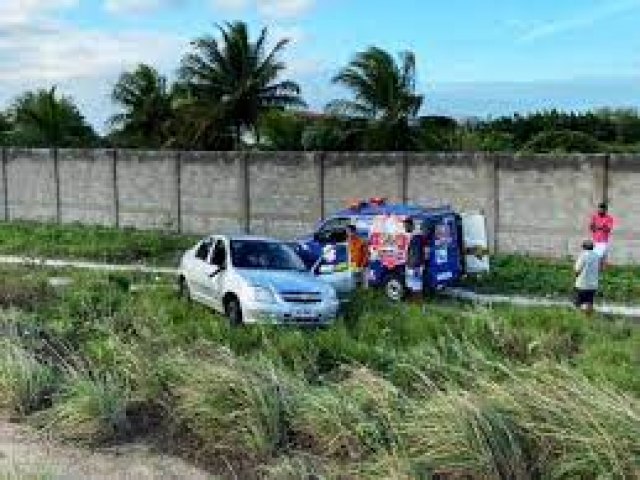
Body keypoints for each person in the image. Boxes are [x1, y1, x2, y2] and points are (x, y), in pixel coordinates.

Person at [574, 239, 601, 316]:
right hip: (593, 285)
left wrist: (576, 277)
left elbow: (577, 269)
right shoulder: (596, 256)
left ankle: (578, 317)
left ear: (584, 247)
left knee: (578, 303)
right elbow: (599, 269)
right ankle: (589, 317)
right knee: (589, 303)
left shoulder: (583, 255)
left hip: (582, 284)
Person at [403, 217, 426, 298]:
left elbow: (416, 254)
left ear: (411, 225)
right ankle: (415, 302)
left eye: (406, 226)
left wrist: (411, 265)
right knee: (413, 284)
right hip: (414, 265)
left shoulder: (416, 237)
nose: (405, 228)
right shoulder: (414, 236)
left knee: (416, 285)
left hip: (415, 266)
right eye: (404, 226)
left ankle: (418, 303)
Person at [589, 202, 615, 268]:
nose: (600, 210)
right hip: (595, 240)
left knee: (600, 257)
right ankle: (595, 270)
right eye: (599, 209)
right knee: (594, 257)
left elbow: (608, 229)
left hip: (603, 241)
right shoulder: (594, 217)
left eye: (602, 209)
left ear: (605, 210)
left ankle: (600, 270)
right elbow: (591, 227)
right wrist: (600, 227)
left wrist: (599, 227)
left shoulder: (609, 218)